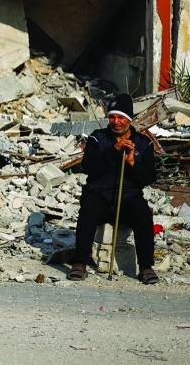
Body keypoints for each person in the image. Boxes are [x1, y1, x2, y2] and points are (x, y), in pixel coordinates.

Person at [68, 93, 160, 285]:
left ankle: (145, 267)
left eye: (121, 117)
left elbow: (148, 178)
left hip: (127, 198)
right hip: (99, 195)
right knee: (88, 210)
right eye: (112, 117)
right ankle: (80, 262)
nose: (116, 122)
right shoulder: (97, 139)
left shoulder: (144, 143)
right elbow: (90, 168)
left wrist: (133, 162)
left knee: (143, 214)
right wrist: (113, 151)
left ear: (129, 119)